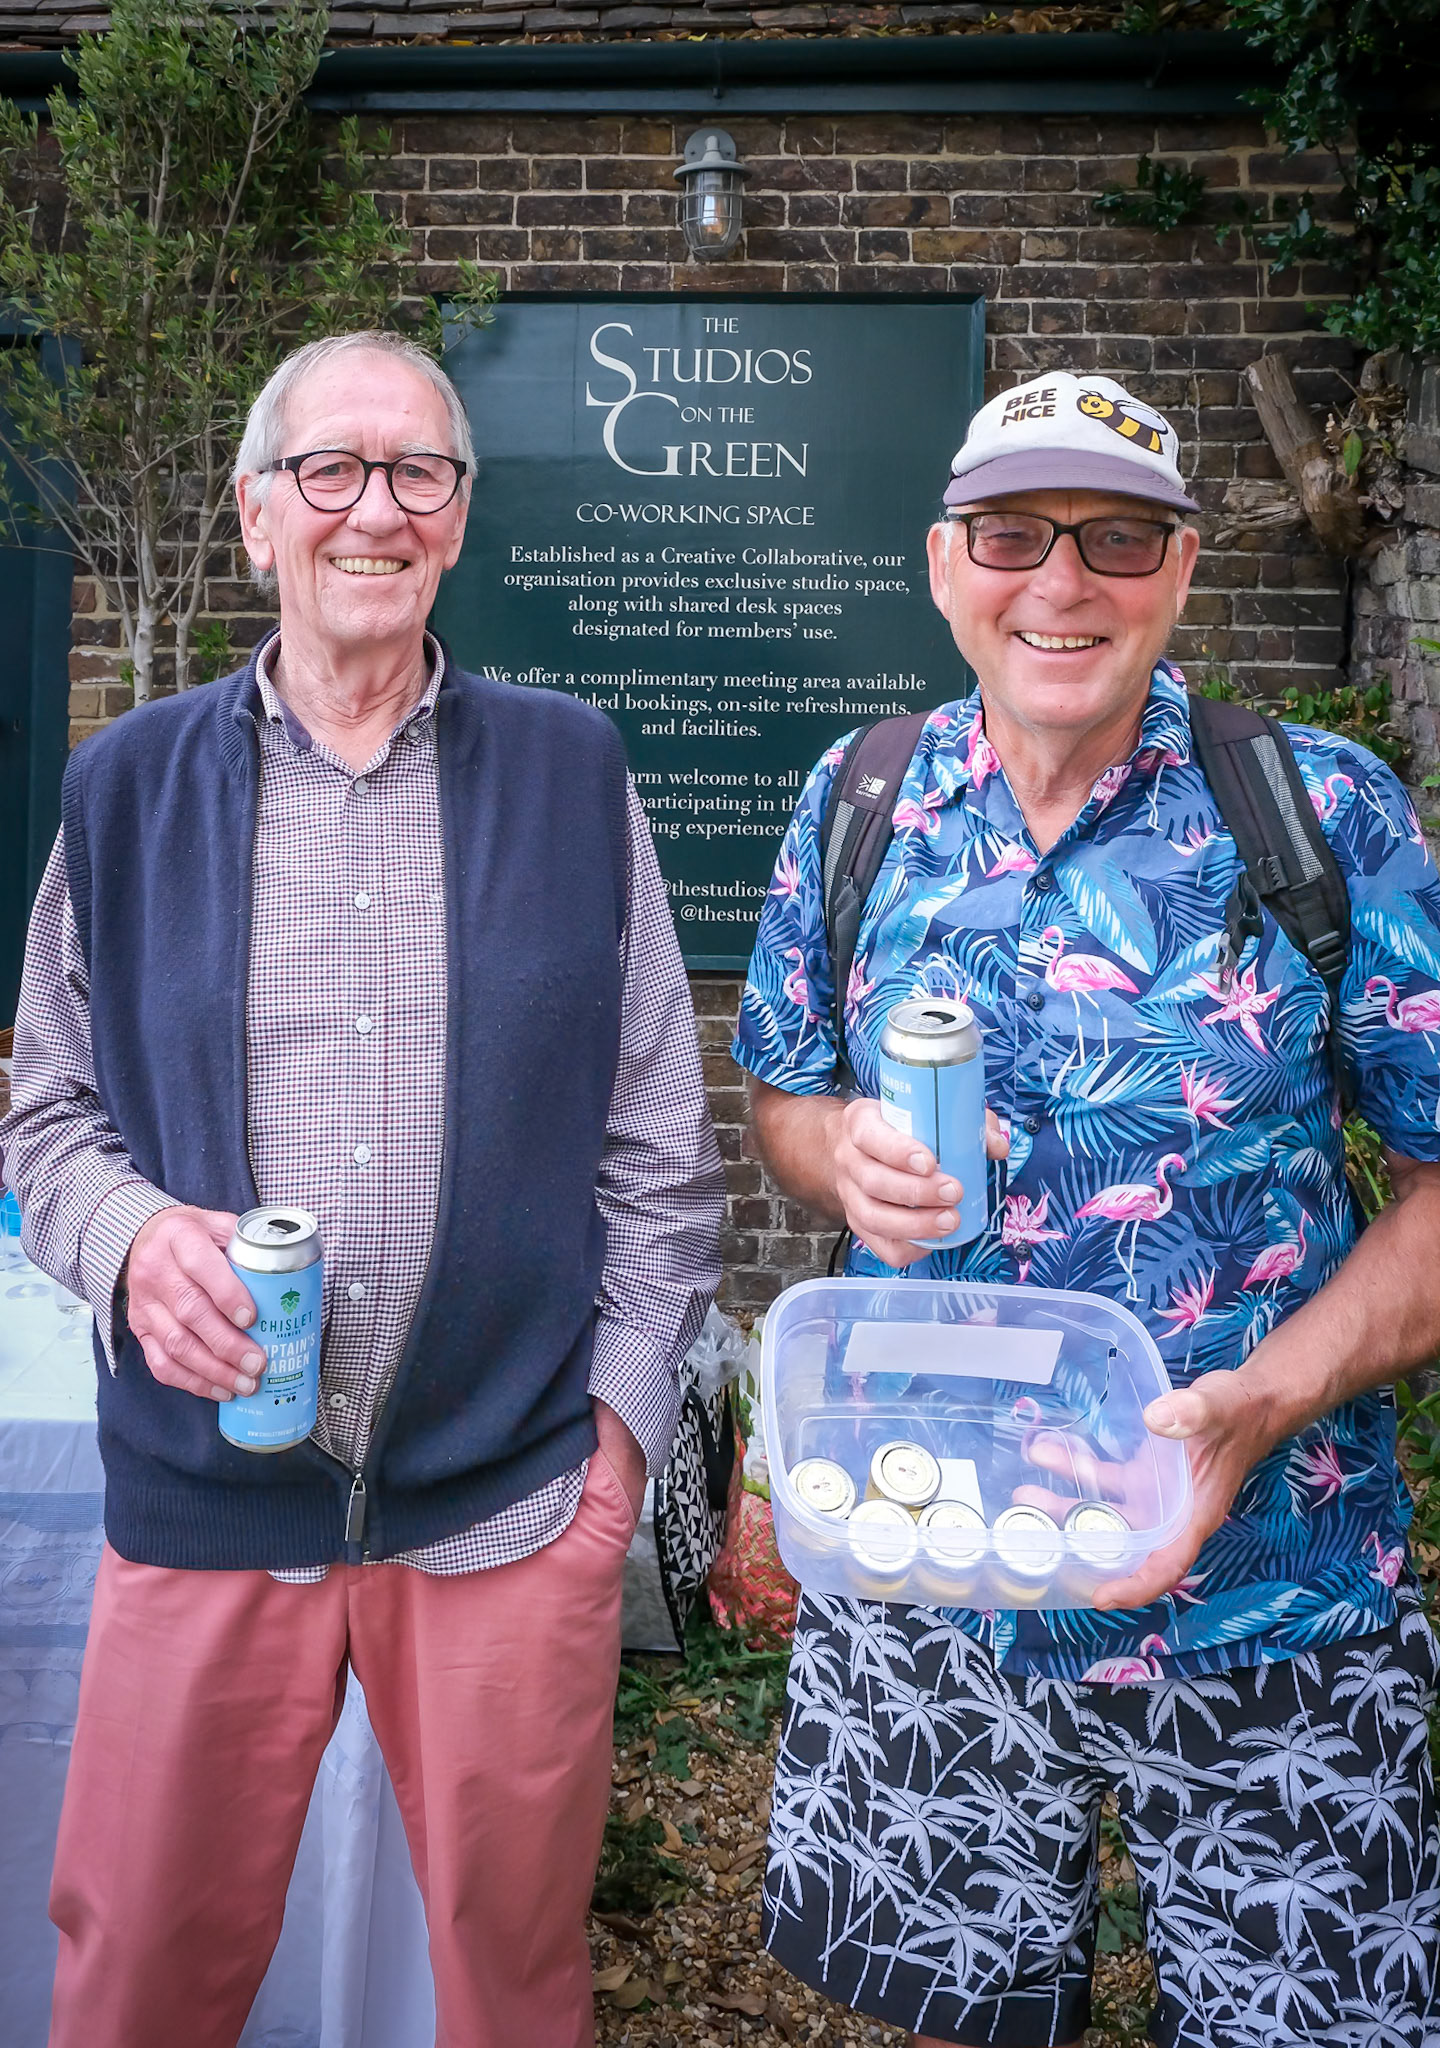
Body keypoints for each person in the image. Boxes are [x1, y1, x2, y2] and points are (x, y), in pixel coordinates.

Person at [1, 328, 725, 2048]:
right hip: (206, 1501)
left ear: (458, 521)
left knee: (511, 1982)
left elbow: (662, 1149)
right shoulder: (126, 788)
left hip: (506, 1506)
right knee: (140, 1973)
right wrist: (123, 1243)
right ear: (260, 515)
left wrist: (611, 1456)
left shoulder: (572, 772)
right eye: (332, 469)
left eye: (418, 474)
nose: (373, 511)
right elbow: (44, 1112)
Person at [733, 369, 1440, 2048]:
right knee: (944, 2026)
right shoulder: (861, 800)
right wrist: (838, 1159)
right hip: (932, 1585)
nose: (1062, 580)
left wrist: (1257, 1408)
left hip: (1273, 1584)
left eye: (1118, 536)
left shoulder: (1315, 814)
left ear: (1183, 571)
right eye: (1013, 534)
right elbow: (780, 1097)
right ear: (941, 566)